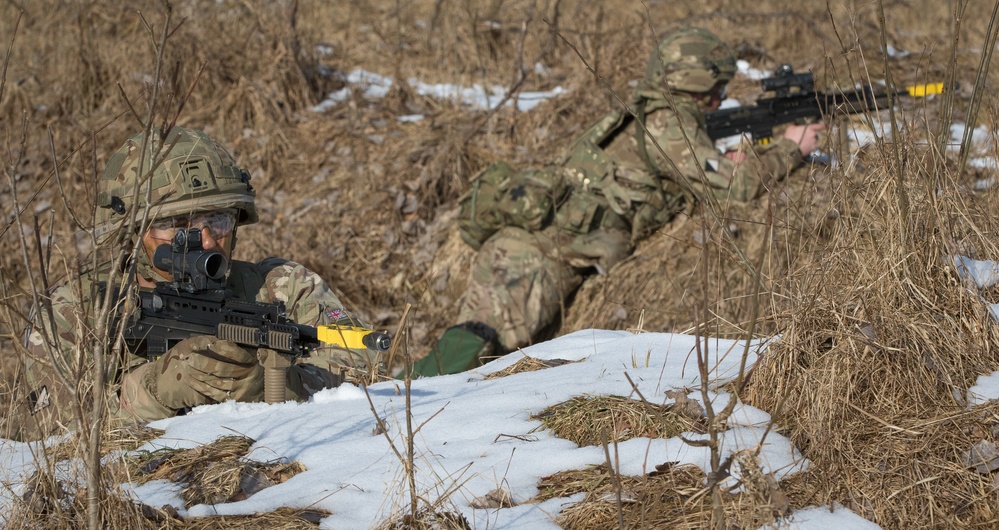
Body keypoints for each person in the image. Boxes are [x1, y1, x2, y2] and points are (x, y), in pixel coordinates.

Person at [410, 27, 824, 377]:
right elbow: (738, 187)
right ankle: (394, 399)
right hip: (530, 261)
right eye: (717, 86)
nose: (721, 96)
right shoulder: (666, 123)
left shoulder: (651, 114)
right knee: (478, 347)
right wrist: (793, 146)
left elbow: (695, 171)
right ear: (695, 82)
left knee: (494, 361)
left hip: (539, 254)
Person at [22, 127, 379, 433]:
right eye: (177, 225)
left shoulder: (282, 287)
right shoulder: (77, 310)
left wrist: (280, 385)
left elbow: (369, 372)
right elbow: (44, 436)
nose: (206, 241)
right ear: (130, 233)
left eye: (218, 219)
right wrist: (153, 391)